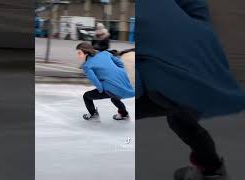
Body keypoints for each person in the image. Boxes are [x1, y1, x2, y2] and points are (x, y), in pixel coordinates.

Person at [137, 0, 245, 180]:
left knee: (163, 103)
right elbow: (194, 2)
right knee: (180, 117)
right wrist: (203, 27)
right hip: (208, 60)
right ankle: (211, 170)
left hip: (170, 82)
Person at [76, 42, 135, 121]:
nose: (78, 55)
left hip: (110, 88)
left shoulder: (87, 66)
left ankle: (93, 114)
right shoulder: (105, 53)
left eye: (79, 53)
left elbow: (95, 81)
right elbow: (120, 63)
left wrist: (101, 90)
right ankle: (124, 114)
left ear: (86, 52)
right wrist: (121, 71)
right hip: (123, 84)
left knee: (86, 96)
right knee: (114, 97)